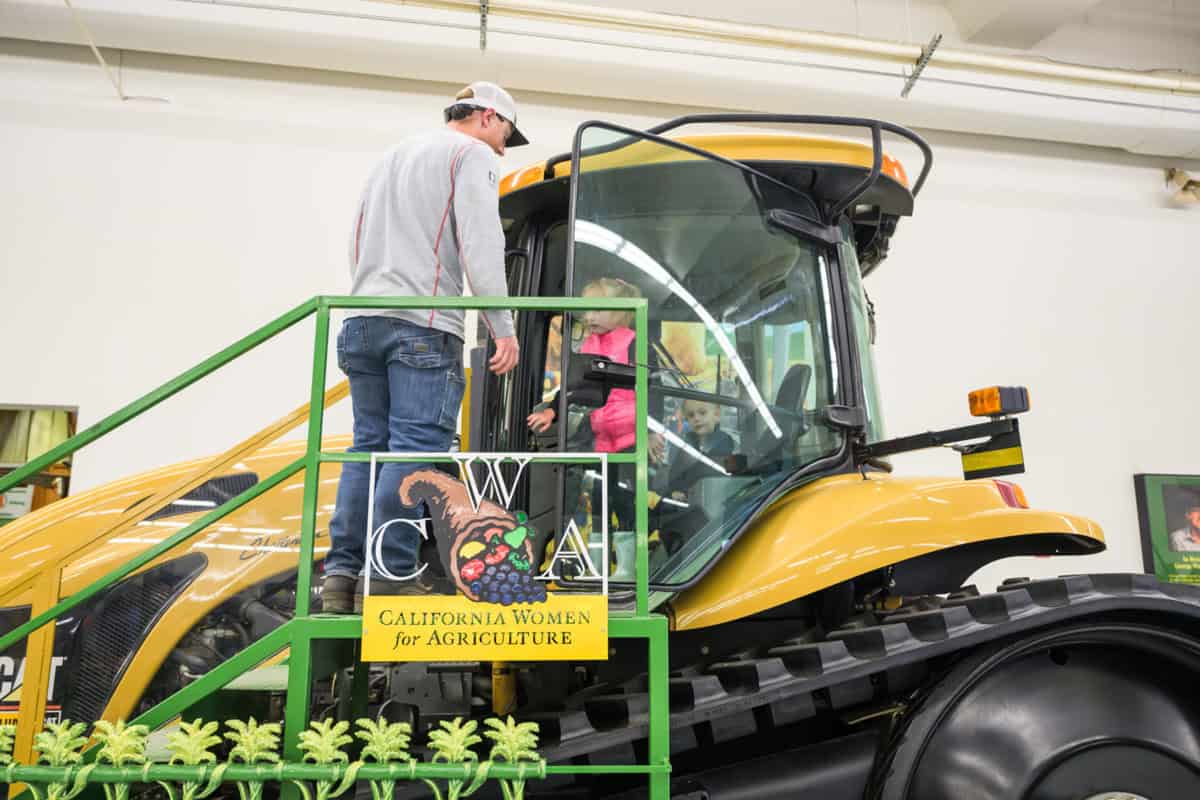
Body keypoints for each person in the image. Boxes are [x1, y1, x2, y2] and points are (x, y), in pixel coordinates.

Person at [322, 81, 528, 614]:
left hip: (362, 318)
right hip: (422, 322)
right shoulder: (472, 154)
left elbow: (357, 236)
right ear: (487, 117)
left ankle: (342, 577)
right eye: (507, 131)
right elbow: (482, 239)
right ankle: (389, 572)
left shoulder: (394, 154)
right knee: (414, 449)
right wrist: (501, 326)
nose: (505, 147)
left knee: (367, 447)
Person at [667, 398, 736, 501]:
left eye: (702, 413)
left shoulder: (725, 443)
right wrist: (676, 490)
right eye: (691, 415)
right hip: (690, 502)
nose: (696, 418)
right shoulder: (686, 445)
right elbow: (675, 475)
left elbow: (730, 477)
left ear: (716, 415)